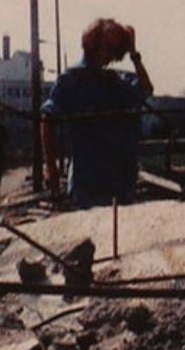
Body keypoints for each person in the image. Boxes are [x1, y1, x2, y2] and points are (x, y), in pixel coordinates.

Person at [41, 19, 153, 209]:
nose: (111, 56)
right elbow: (47, 119)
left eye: (116, 51)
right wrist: (50, 166)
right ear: (93, 43)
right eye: (109, 48)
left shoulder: (113, 81)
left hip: (120, 181)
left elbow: (146, 90)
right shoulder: (72, 79)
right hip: (88, 183)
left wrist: (134, 53)